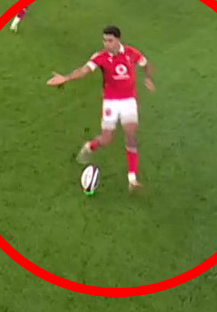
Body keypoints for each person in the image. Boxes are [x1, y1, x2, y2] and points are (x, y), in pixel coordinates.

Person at [47, 26, 155, 191]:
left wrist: (147, 78)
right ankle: (89, 146)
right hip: (111, 102)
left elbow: (145, 64)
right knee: (106, 139)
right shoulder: (100, 57)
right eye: (104, 40)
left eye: (110, 40)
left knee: (131, 137)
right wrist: (66, 78)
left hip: (128, 101)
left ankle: (132, 179)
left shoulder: (131, 53)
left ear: (118, 40)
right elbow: (84, 70)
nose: (106, 44)